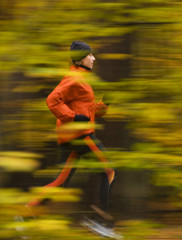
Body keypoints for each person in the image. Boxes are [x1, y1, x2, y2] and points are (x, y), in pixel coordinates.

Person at [26, 41, 121, 238]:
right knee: (108, 170)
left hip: (72, 137)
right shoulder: (74, 79)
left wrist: (104, 104)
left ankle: (26, 213)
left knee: (61, 182)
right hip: (80, 136)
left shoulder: (81, 79)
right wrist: (71, 117)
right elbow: (52, 100)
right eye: (90, 55)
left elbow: (87, 111)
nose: (94, 58)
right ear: (80, 59)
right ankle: (101, 222)